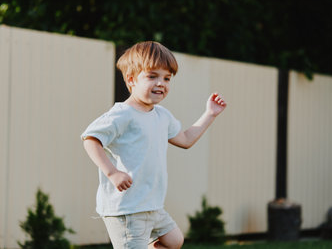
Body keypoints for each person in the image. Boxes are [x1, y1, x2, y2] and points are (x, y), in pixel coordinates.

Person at [81, 41, 227, 249]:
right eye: (152, 76)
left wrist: (210, 114)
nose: (161, 83)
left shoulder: (162, 116)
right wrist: (112, 173)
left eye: (167, 78)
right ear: (131, 80)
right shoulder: (122, 114)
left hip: (152, 205)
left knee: (174, 241)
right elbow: (90, 139)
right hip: (127, 208)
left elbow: (185, 140)